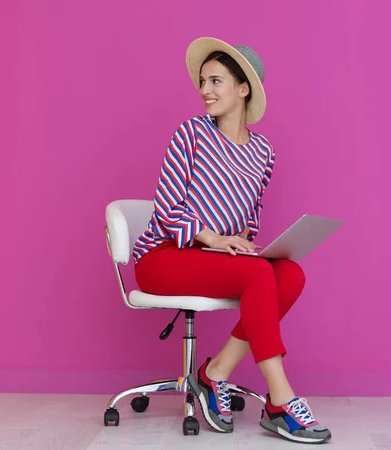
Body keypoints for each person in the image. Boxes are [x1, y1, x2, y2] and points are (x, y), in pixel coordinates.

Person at [132, 37, 331, 444]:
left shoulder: (264, 152)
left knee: (289, 274)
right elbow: (168, 209)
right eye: (203, 82)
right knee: (258, 275)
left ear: (244, 89)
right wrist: (215, 238)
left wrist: (240, 239)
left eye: (216, 81)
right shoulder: (189, 134)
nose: (205, 90)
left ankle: (215, 372)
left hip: (214, 256)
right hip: (165, 256)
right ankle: (281, 400)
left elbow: (249, 212)